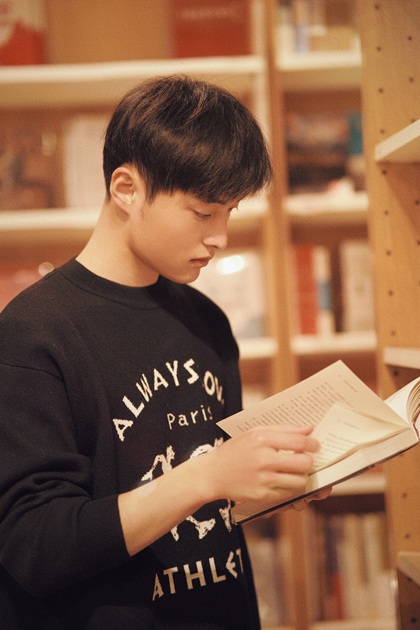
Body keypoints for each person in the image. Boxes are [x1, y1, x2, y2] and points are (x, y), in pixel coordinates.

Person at [0, 75, 327, 629]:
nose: (220, 237)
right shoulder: (32, 332)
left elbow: (215, 501)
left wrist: (268, 485)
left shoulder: (207, 321)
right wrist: (207, 475)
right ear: (126, 189)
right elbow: (35, 546)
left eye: (229, 212)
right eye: (203, 213)